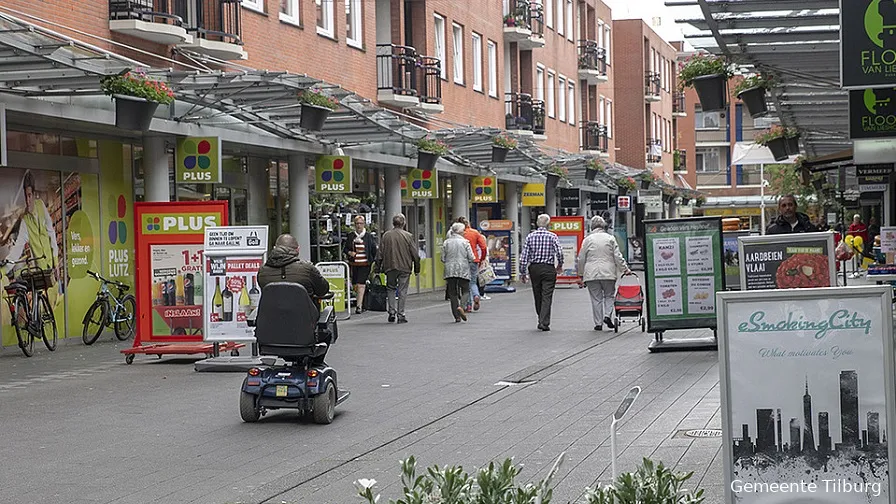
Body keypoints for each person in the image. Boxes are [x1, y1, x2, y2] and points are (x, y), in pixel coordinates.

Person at [257, 233, 330, 335]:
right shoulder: (307, 269)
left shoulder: (263, 272)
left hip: (271, 331)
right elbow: (323, 290)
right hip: (304, 328)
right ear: (297, 250)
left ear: (275, 248)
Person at [577, 216, 630, 331]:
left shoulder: (587, 240)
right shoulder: (610, 238)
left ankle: (598, 323)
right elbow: (617, 256)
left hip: (591, 273)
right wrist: (625, 269)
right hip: (608, 272)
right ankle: (607, 315)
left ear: (592, 226)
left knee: (596, 299)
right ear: (603, 225)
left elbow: (581, 258)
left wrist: (581, 274)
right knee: (609, 295)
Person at [5, 171, 60, 281]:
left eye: (30, 196)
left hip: (52, 266)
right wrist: (3, 269)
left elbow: (51, 233)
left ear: (34, 195)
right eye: (26, 196)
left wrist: (56, 261)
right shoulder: (25, 221)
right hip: (40, 270)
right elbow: (17, 248)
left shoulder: (41, 206)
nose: (28, 201)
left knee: (57, 296)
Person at [519, 213, 563, 332]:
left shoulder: (530, 237)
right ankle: (544, 321)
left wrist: (522, 272)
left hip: (535, 268)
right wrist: (559, 265)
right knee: (547, 296)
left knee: (537, 294)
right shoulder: (552, 236)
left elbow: (524, 256)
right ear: (548, 224)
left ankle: (541, 318)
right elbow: (559, 252)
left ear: (537, 223)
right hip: (548, 268)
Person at [375, 213, 420, 324]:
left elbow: (379, 254)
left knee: (390, 288)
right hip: (404, 267)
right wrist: (417, 268)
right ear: (403, 223)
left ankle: (391, 312)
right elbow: (415, 254)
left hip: (390, 266)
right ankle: (401, 314)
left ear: (393, 223)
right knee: (402, 290)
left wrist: (377, 267)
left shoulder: (386, 235)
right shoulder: (408, 236)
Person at [343, 215, 377, 314]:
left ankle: (359, 306)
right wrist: (350, 253)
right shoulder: (351, 236)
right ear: (354, 225)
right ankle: (362, 299)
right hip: (354, 264)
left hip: (365, 264)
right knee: (355, 285)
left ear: (364, 224)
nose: (359, 226)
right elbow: (345, 249)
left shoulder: (368, 236)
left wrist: (372, 260)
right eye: (357, 223)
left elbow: (373, 249)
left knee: (360, 284)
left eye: (361, 223)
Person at [442, 222, 475, 322]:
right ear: (460, 232)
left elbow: (443, 258)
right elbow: (471, 257)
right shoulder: (465, 242)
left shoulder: (446, 242)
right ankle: (462, 306)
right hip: (463, 268)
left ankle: (456, 316)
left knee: (453, 293)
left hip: (449, 269)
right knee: (465, 290)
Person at [456, 217, 488, 312]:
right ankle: (476, 295)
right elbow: (483, 247)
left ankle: (468, 305)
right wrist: (481, 258)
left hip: (462, 260)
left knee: (465, 283)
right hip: (474, 260)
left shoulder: (459, 235)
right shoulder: (475, 233)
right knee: (473, 282)